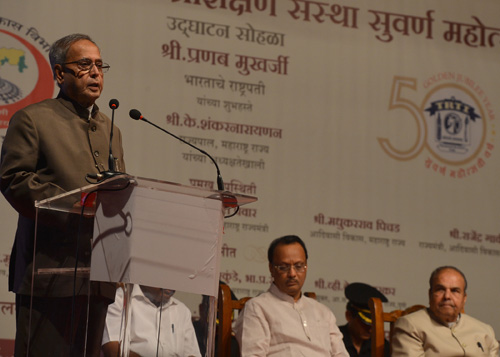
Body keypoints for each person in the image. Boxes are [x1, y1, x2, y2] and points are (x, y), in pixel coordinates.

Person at [0, 33, 125, 355]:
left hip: (96, 276)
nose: (96, 72)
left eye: (99, 65)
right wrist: (77, 205)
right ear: (59, 74)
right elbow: (14, 180)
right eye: (84, 65)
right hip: (49, 271)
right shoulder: (33, 119)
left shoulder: (111, 129)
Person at [234, 235, 349, 356]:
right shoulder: (257, 308)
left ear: (306, 266)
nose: (292, 274)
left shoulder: (323, 312)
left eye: (299, 266)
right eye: (283, 267)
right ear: (271, 268)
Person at [392, 266, 499, 356]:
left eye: (455, 291)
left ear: (464, 298)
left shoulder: (485, 330)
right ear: (430, 294)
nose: (447, 296)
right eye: (440, 289)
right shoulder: (410, 326)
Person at [102, 285, 201, 357]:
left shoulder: (182, 310)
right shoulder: (120, 298)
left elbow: (192, 354)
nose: (172, 282)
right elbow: (112, 350)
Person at [339, 282, 390, 357]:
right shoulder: (334, 339)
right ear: (349, 316)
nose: (370, 329)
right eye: (365, 323)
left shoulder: (381, 346)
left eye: (373, 324)